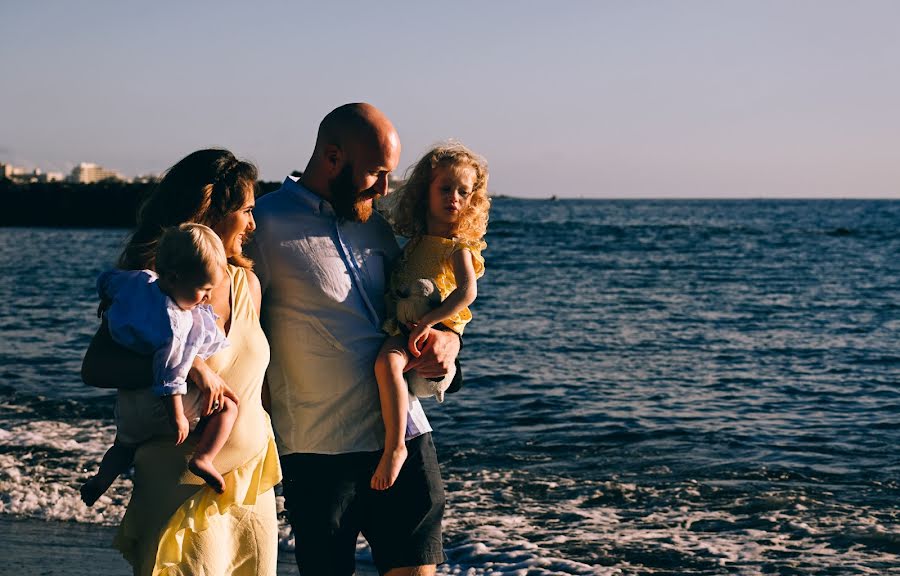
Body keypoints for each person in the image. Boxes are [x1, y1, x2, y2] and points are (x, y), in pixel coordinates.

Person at [248, 103, 461, 576]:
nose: (386, 189)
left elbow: (411, 309)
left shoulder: (376, 227)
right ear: (331, 155)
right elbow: (227, 326)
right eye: (375, 173)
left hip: (405, 434)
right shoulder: (262, 225)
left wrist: (449, 342)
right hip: (318, 449)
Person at [81, 149, 281, 576]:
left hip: (247, 489)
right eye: (246, 210)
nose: (253, 224)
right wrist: (190, 366)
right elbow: (95, 367)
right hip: (179, 489)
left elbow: (254, 383)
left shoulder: (249, 283)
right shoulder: (153, 288)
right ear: (212, 210)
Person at [80, 223, 237, 507]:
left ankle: (100, 480)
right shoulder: (175, 323)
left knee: (122, 446)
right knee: (228, 406)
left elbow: (107, 280)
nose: (206, 298)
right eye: (203, 289)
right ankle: (204, 459)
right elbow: (171, 373)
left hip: (130, 406)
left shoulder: (139, 280)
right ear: (176, 277)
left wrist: (106, 298)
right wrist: (176, 415)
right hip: (162, 407)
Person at [371, 142, 490, 491]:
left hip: (426, 327)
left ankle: (396, 447)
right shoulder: (416, 241)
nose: (454, 197)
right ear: (426, 190)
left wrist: (430, 322)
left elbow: (468, 292)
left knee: (387, 364)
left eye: (463, 192)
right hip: (406, 322)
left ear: (472, 201)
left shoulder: (457, 247)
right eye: (445, 188)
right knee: (388, 365)